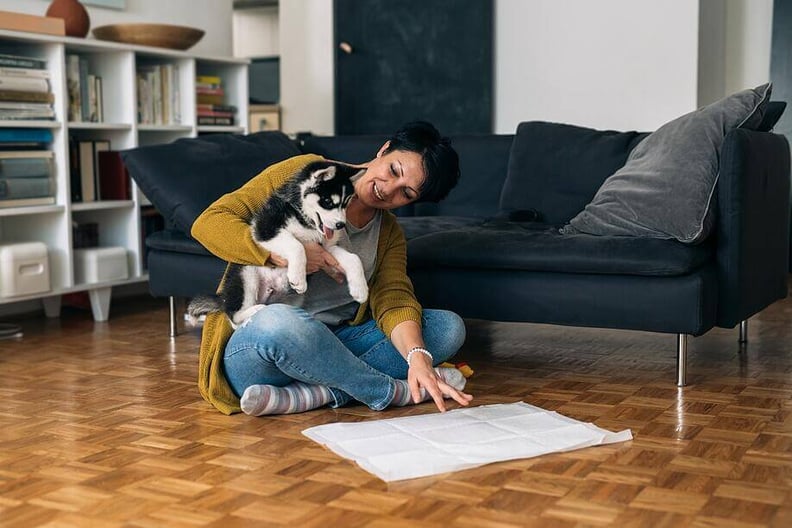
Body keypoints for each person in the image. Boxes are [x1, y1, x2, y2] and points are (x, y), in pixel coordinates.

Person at [191, 121, 473, 416]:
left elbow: (394, 298)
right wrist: (281, 255)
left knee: (446, 329)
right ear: (385, 149)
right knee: (279, 321)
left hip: (336, 341)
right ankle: (387, 391)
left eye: (407, 193)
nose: (389, 189)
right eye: (393, 170)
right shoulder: (307, 173)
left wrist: (418, 358)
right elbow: (210, 221)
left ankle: (313, 393)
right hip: (260, 344)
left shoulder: (388, 234)